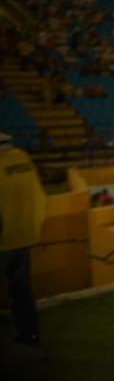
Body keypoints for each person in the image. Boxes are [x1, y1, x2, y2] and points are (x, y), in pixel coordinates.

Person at [0, 132, 46, 345]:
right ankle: (29, 333)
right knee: (22, 290)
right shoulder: (23, 158)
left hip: (4, 240)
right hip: (25, 236)